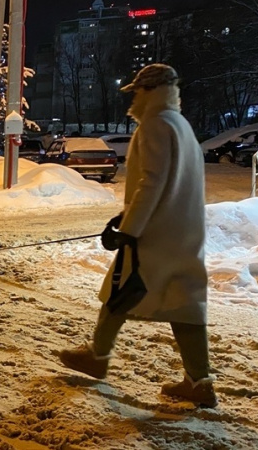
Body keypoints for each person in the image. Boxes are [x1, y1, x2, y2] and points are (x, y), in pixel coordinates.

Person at [58, 63, 216, 408]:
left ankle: (97, 357)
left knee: (120, 288)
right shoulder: (181, 124)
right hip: (183, 230)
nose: (133, 100)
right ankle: (200, 382)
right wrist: (125, 215)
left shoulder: (155, 124)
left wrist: (129, 229)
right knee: (184, 303)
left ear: (147, 92)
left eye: (136, 92)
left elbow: (153, 181)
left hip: (155, 233)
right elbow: (172, 181)